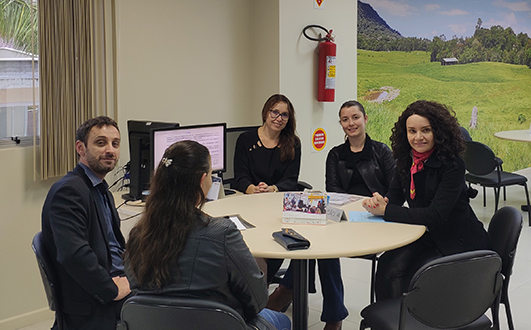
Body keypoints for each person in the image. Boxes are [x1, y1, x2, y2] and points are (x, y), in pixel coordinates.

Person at [124, 140, 291, 330]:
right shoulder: (222, 233)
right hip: (219, 323)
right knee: (283, 321)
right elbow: (258, 300)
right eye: (211, 174)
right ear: (202, 180)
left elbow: (136, 290)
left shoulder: (138, 235)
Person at [362, 100, 489, 300]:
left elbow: (435, 215)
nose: (418, 137)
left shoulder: (453, 164)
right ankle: (393, 321)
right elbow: (396, 194)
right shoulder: (406, 159)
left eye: (426, 130)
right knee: (388, 265)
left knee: (415, 276)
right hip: (426, 234)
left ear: (438, 132)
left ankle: (413, 319)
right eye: (412, 131)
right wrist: (382, 200)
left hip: (457, 240)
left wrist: (386, 211)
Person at [41, 116, 131, 330]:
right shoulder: (69, 191)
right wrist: (112, 289)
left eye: (115, 144)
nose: (110, 150)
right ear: (80, 148)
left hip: (115, 278)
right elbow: (74, 254)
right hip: (95, 302)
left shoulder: (99, 188)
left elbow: (114, 245)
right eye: (101, 143)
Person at [233, 94, 300, 283]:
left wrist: (272, 189)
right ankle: (258, 284)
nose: (279, 118)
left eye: (284, 115)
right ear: (266, 112)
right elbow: (239, 176)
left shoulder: (293, 143)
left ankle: (272, 285)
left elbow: (291, 180)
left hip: (277, 205)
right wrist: (252, 188)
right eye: (275, 112)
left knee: (282, 242)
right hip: (249, 203)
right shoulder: (246, 140)